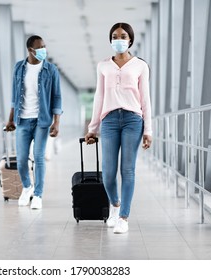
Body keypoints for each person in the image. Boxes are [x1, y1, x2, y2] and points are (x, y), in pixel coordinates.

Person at [84, 22, 152, 233]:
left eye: (123, 36)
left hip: (133, 119)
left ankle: (123, 217)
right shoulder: (103, 65)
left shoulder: (140, 65)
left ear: (130, 39)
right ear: (110, 39)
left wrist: (148, 130)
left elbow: (145, 99)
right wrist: (92, 127)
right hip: (110, 121)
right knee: (109, 172)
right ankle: (115, 205)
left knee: (128, 169)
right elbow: (100, 96)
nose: (119, 39)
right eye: (115, 36)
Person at [5, 35, 63, 209]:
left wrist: (56, 122)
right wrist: (10, 119)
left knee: (38, 157)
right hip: (22, 120)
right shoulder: (19, 68)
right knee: (22, 159)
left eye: (45, 46)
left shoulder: (50, 70)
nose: (44, 50)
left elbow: (57, 97)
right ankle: (27, 187)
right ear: (30, 50)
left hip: (42, 120)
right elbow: (15, 96)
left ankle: (38, 195)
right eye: (40, 47)